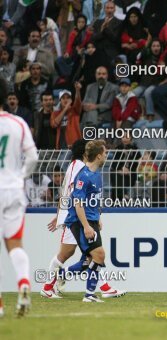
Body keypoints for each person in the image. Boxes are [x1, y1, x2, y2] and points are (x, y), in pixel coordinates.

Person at [42, 139, 125, 299]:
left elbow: (68, 192)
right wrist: (61, 214)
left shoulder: (81, 168)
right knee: (67, 254)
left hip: (79, 215)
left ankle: (94, 285)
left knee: (90, 256)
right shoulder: (79, 167)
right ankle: (48, 286)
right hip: (75, 218)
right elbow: (70, 193)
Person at [0, 78, 39, 317]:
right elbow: (33, 157)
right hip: (13, 189)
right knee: (14, 243)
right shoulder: (18, 123)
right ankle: (23, 282)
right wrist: (20, 176)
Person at [62, 139, 110, 303]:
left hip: (91, 220)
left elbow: (94, 200)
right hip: (80, 221)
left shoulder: (97, 175)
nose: (106, 156)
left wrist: (98, 218)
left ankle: (60, 275)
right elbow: (78, 203)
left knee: (88, 260)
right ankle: (89, 295)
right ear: (98, 156)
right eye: (105, 153)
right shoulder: (83, 175)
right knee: (99, 255)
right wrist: (86, 226)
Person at [50, 83, 82, 149]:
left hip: (75, 144)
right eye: (63, 98)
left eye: (68, 98)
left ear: (71, 100)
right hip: (61, 144)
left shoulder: (75, 110)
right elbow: (54, 124)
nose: (65, 100)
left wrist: (77, 90)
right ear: (60, 100)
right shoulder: (55, 113)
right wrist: (65, 108)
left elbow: (78, 101)